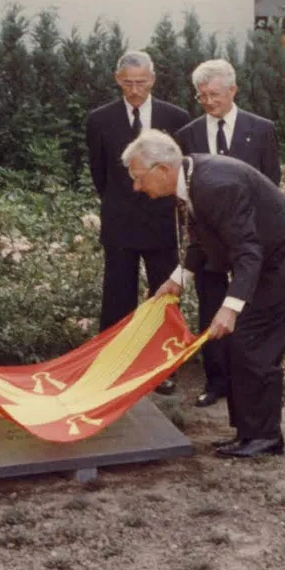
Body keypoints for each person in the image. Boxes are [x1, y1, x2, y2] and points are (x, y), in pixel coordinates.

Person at [124, 130, 285, 458]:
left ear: (162, 169)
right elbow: (202, 236)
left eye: (138, 178)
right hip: (272, 258)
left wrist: (230, 308)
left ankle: (265, 439)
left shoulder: (216, 185)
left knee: (252, 340)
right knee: (241, 341)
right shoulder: (191, 178)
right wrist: (179, 278)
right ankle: (250, 433)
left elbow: (248, 250)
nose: (136, 186)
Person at [175, 59, 281, 408]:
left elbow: (272, 184)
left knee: (252, 307)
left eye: (215, 94)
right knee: (211, 309)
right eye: (202, 95)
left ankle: (254, 377)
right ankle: (216, 381)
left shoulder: (262, 129)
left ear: (233, 91)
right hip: (209, 243)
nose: (208, 101)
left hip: (251, 239)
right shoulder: (188, 135)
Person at [86, 51, 190, 394]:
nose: (135, 90)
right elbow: (99, 174)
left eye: (141, 83)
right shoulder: (99, 119)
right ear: (118, 80)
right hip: (120, 223)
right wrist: (122, 202)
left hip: (162, 222)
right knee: (117, 297)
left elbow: (178, 172)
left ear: (153, 80)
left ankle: (161, 367)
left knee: (163, 295)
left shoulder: (175, 117)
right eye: (128, 83)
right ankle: (112, 365)